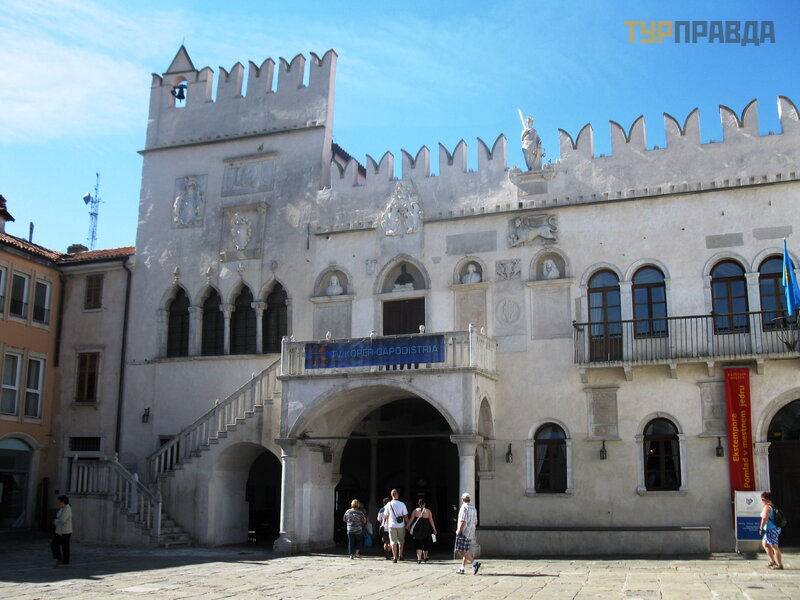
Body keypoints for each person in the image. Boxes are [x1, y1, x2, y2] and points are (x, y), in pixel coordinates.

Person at [454, 492, 480, 575]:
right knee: (466, 551)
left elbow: (463, 521)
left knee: (460, 550)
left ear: (463, 499)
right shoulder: (473, 508)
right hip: (471, 532)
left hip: (464, 532)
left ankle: (475, 563)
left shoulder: (464, 508)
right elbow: (476, 522)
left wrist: (459, 531)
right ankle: (462, 568)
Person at [407, 498, 437, 564]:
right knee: (425, 543)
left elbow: (411, 520)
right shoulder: (428, 511)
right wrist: (434, 529)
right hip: (426, 528)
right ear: (424, 504)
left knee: (418, 543)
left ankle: (419, 559)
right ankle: (425, 557)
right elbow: (431, 520)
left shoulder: (415, 511)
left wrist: (408, 526)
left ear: (419, 503)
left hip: (418, 529)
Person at [759, 491, 783, 570]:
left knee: (774, 547)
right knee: (765, 543)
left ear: (767, 499)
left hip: (771, 529)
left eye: (763, 499)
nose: (762, 501)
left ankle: (780, 564)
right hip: (774, 528)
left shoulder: (767, 507)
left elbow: (764, 518)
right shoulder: (772, 506)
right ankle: (772, 561)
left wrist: (761, 527)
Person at [385, 488, 409, 562]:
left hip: (391, 525)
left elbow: (386, 516)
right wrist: (408, 524)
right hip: (401, 525)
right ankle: (400, 555)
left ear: (391, 495)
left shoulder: (388, 504)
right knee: (401, 541)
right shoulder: (402, 504)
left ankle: (394, 557)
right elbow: (405, 516)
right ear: (397, 495)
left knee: (393, 541)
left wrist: (387, 524)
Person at [51, 495, 72, 567]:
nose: (59, 503)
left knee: (65, 547)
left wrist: (55, 522)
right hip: (59, 531)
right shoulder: (62, 508)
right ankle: (59, 558)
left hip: (65, 531)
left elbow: (62, 520)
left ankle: (65, 562)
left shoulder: (67, 509)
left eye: (60, 502)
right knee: (54, 544)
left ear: (63, 502)